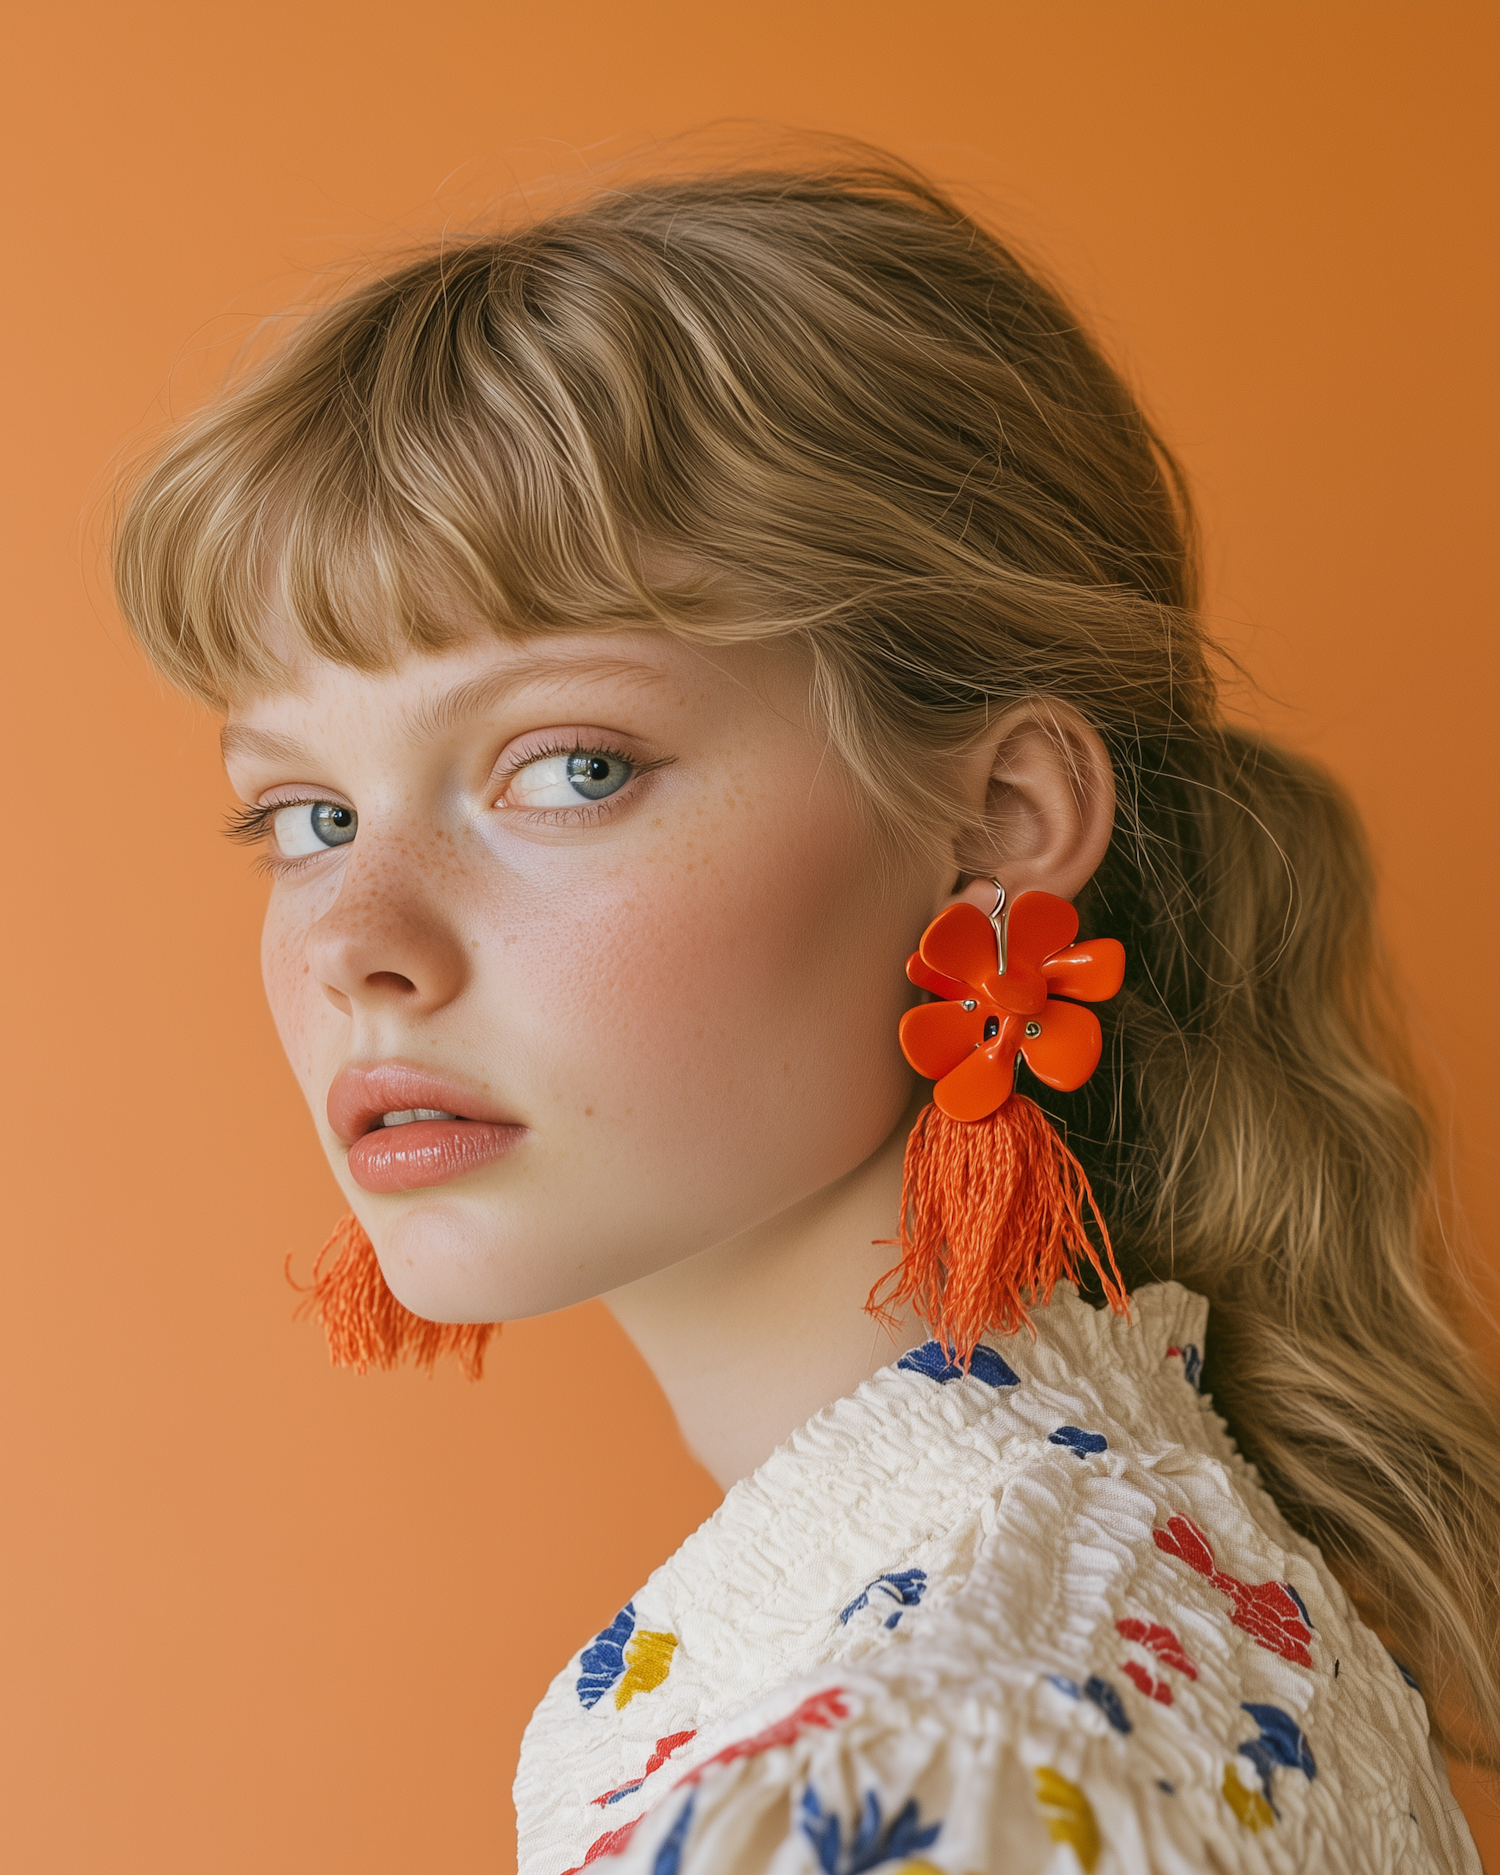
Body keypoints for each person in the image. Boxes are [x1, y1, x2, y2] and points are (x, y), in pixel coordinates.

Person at [113, 148, 1497, 1873]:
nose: (355, 942)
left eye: (572, 766)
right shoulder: (1144, 1572)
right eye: (304, 815)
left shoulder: (914, 1764)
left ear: (996, 818)